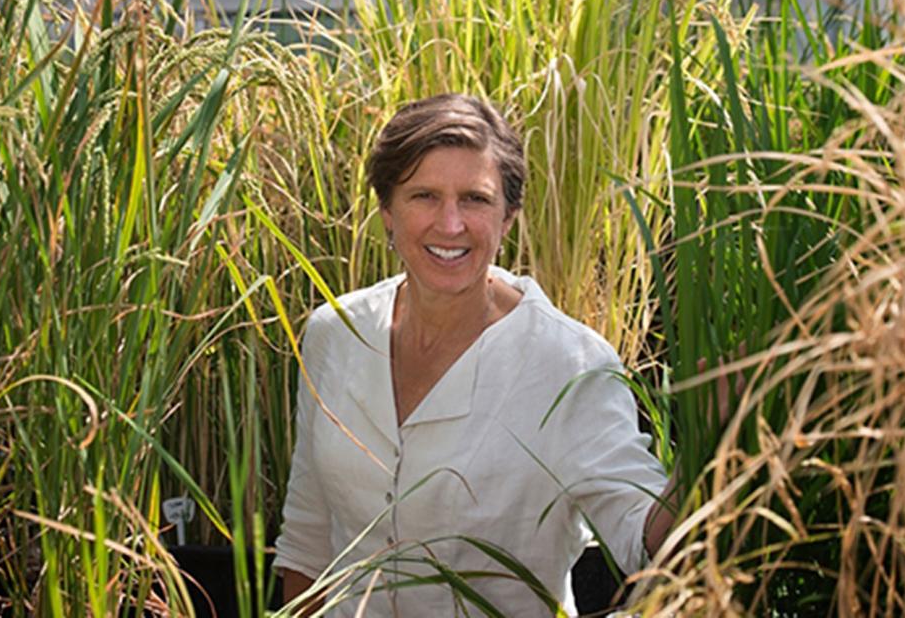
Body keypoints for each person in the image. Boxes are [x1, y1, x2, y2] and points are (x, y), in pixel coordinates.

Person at [273, 94, 677, 616]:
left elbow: (644, 542)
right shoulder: (336, 332)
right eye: (423, 196)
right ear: (387, 212)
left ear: (508, 217)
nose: (450, 224)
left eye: (475, 199)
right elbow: (308, 539)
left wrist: (706, 464)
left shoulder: (569, 364)